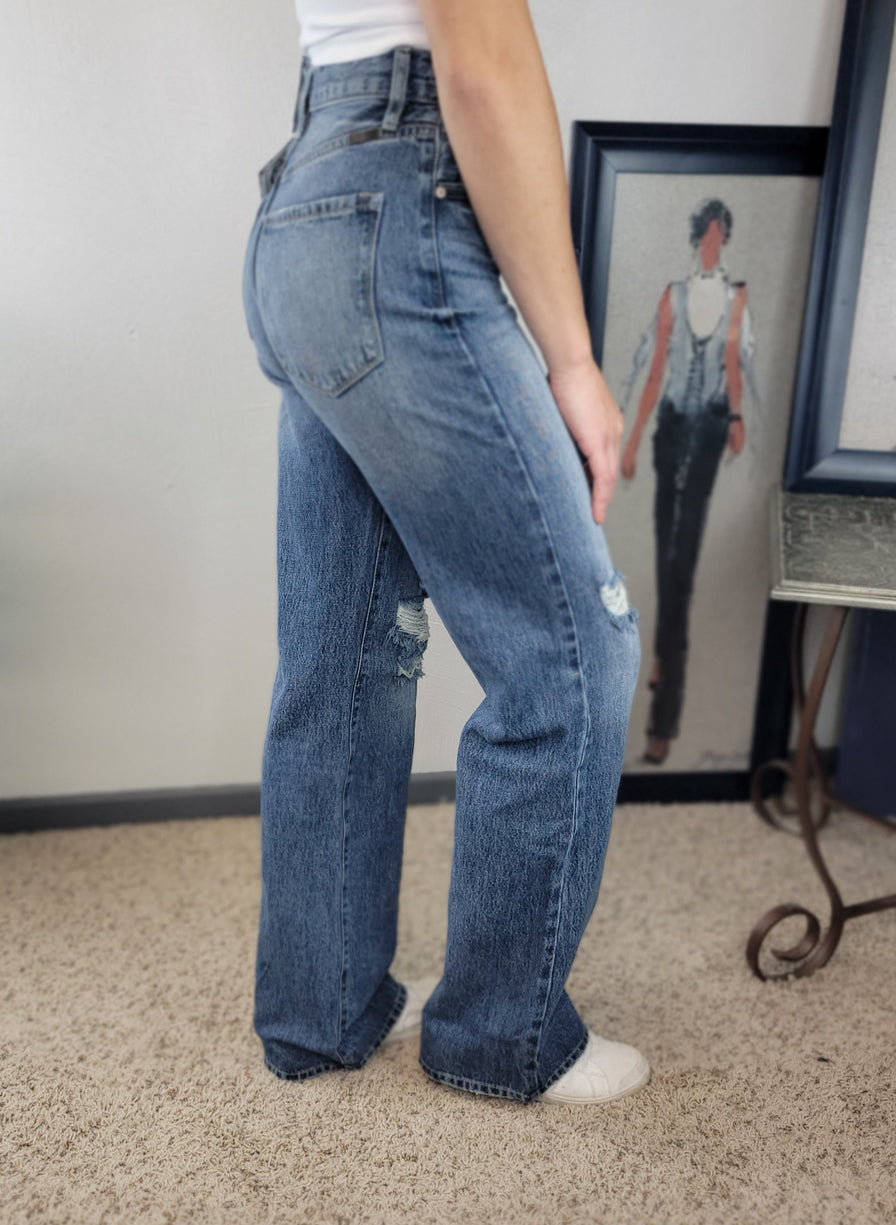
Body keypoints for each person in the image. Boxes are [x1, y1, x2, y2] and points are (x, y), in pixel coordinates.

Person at [241, 0, 648, 1105]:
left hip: (307, 199)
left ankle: (319, 1009)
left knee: (344, 654)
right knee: (571, 655)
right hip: (398, 198)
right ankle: (501, 1035)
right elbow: (480, 62)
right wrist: (571, 359)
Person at [619, 198, 761, 766]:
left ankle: (663, 717)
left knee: (684, 561)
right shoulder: (673, 295)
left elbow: (733, 368)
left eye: (718, 234)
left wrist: (737, 417)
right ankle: (660, 661)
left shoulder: (737, 298)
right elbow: (656, 371)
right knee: (664, 556)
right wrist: (632, 440)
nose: (710, 242)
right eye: (704, 233)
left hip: (707, 431)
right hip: (671, 429)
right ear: (695, 236)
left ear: (725, 239)